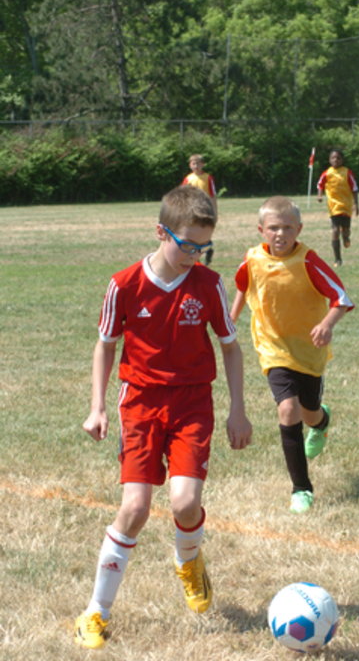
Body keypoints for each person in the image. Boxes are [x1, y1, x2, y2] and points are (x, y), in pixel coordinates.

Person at [74, 185, 252, 649]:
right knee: (134, 509)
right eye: (187, 245)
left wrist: (237, 409)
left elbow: (231, 348)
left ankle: (188, 561)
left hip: (193, 403)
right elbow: (105, 346)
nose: (195, 255)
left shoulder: (209, 284)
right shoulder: (124, 284)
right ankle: (95, 612)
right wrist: (97, 406)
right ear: (161, 232)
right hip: (140, 403)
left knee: (185, 504)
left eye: (203, 247)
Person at [230, 196, 353, 515]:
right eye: (273, 228)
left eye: (287, 227)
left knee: (309, 412)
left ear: (299, 229)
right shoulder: (253, 259)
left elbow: (341, 298)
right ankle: (301, 488)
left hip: (309, 350)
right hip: (272, 347)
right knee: (288, 409)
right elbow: (243, 285)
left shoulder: (308, 260)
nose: (280, 234)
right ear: (261, 230)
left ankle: (321, 422)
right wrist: (230, 320)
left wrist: (327, 324)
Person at [317, 149, 359, 268]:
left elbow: (355, 188)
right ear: (329, 160)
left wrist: (356, 204)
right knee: (335, 231)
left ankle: (346, 237)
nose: (336, 160)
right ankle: (338, 259)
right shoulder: (327, 173)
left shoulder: (347, 172)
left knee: (345, 230)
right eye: (333, 158)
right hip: (333, 206)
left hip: (346, 206)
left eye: (338, 158)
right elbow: (320, 185)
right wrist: (320, 195)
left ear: (342, 160)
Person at [181, 154, 218, 265]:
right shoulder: (188, 179)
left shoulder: (208, 178)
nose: (196, 166)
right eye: (194, 164)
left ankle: (208, 249)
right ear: (190, 165)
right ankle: (197, 258)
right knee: (193, 233)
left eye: (198, 163)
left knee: (203, 232)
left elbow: (212, 195)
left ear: (203, 164)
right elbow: (184, 195)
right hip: (192, 210)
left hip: (205, 209)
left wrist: (214, 211)